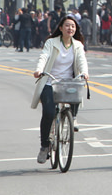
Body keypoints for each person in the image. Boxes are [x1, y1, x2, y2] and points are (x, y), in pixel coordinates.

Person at [31, 15, 89, 164]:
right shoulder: (52, 43)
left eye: (73, 26)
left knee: (77, 91)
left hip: (68, 83)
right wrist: (39, 70)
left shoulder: (77, 45)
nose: (70, 28)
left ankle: (73, 118)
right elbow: (43, 57)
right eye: (67, 25)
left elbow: (82, 60)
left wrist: (84, 73)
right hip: (50, 82)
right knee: (49, 112)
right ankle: (44, 146)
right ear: (61, 28)